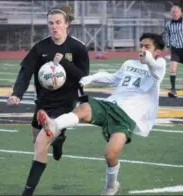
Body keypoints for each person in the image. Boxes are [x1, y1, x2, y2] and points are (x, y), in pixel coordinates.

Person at [35, 33, 166, 195]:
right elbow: (112, 78)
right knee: (83, 108)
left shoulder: (159, 65)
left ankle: (111, 186)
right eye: (141, 46)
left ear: (157, 52)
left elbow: (156, 68)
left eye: (147, 47)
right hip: (111, 104)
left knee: (110, 155)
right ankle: (54, 125)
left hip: (127, 117)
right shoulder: (129, 63)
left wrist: (149, 59)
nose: (142, 50)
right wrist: (90, 78)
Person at [7, 6, 90, 196]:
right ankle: (59, 139)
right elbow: (25, 72)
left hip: (66, 102)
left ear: (67, 24)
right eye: (51, 23)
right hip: (43, 101)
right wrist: (17, 93)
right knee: (36, 140)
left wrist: (65, 64)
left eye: (58, 22)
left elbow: (83, 77)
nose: (54, 27)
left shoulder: (77, 47)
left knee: (40, 145)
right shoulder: (40, 47)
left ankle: (28, 191)